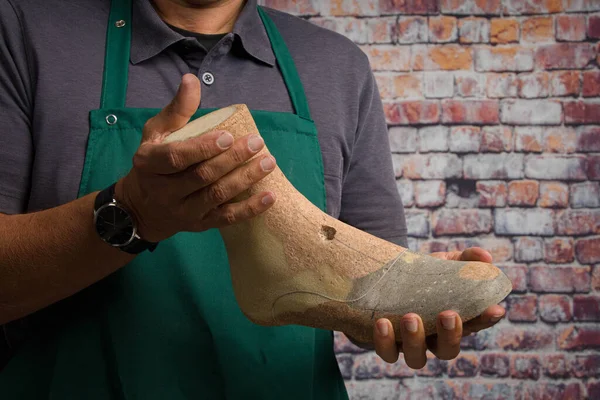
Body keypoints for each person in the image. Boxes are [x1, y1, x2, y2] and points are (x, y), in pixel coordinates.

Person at [0, 0, 505, 398]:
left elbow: (364, 276)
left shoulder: (336, 66)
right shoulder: (22, 31)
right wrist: (133, 212)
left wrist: (401, 315)